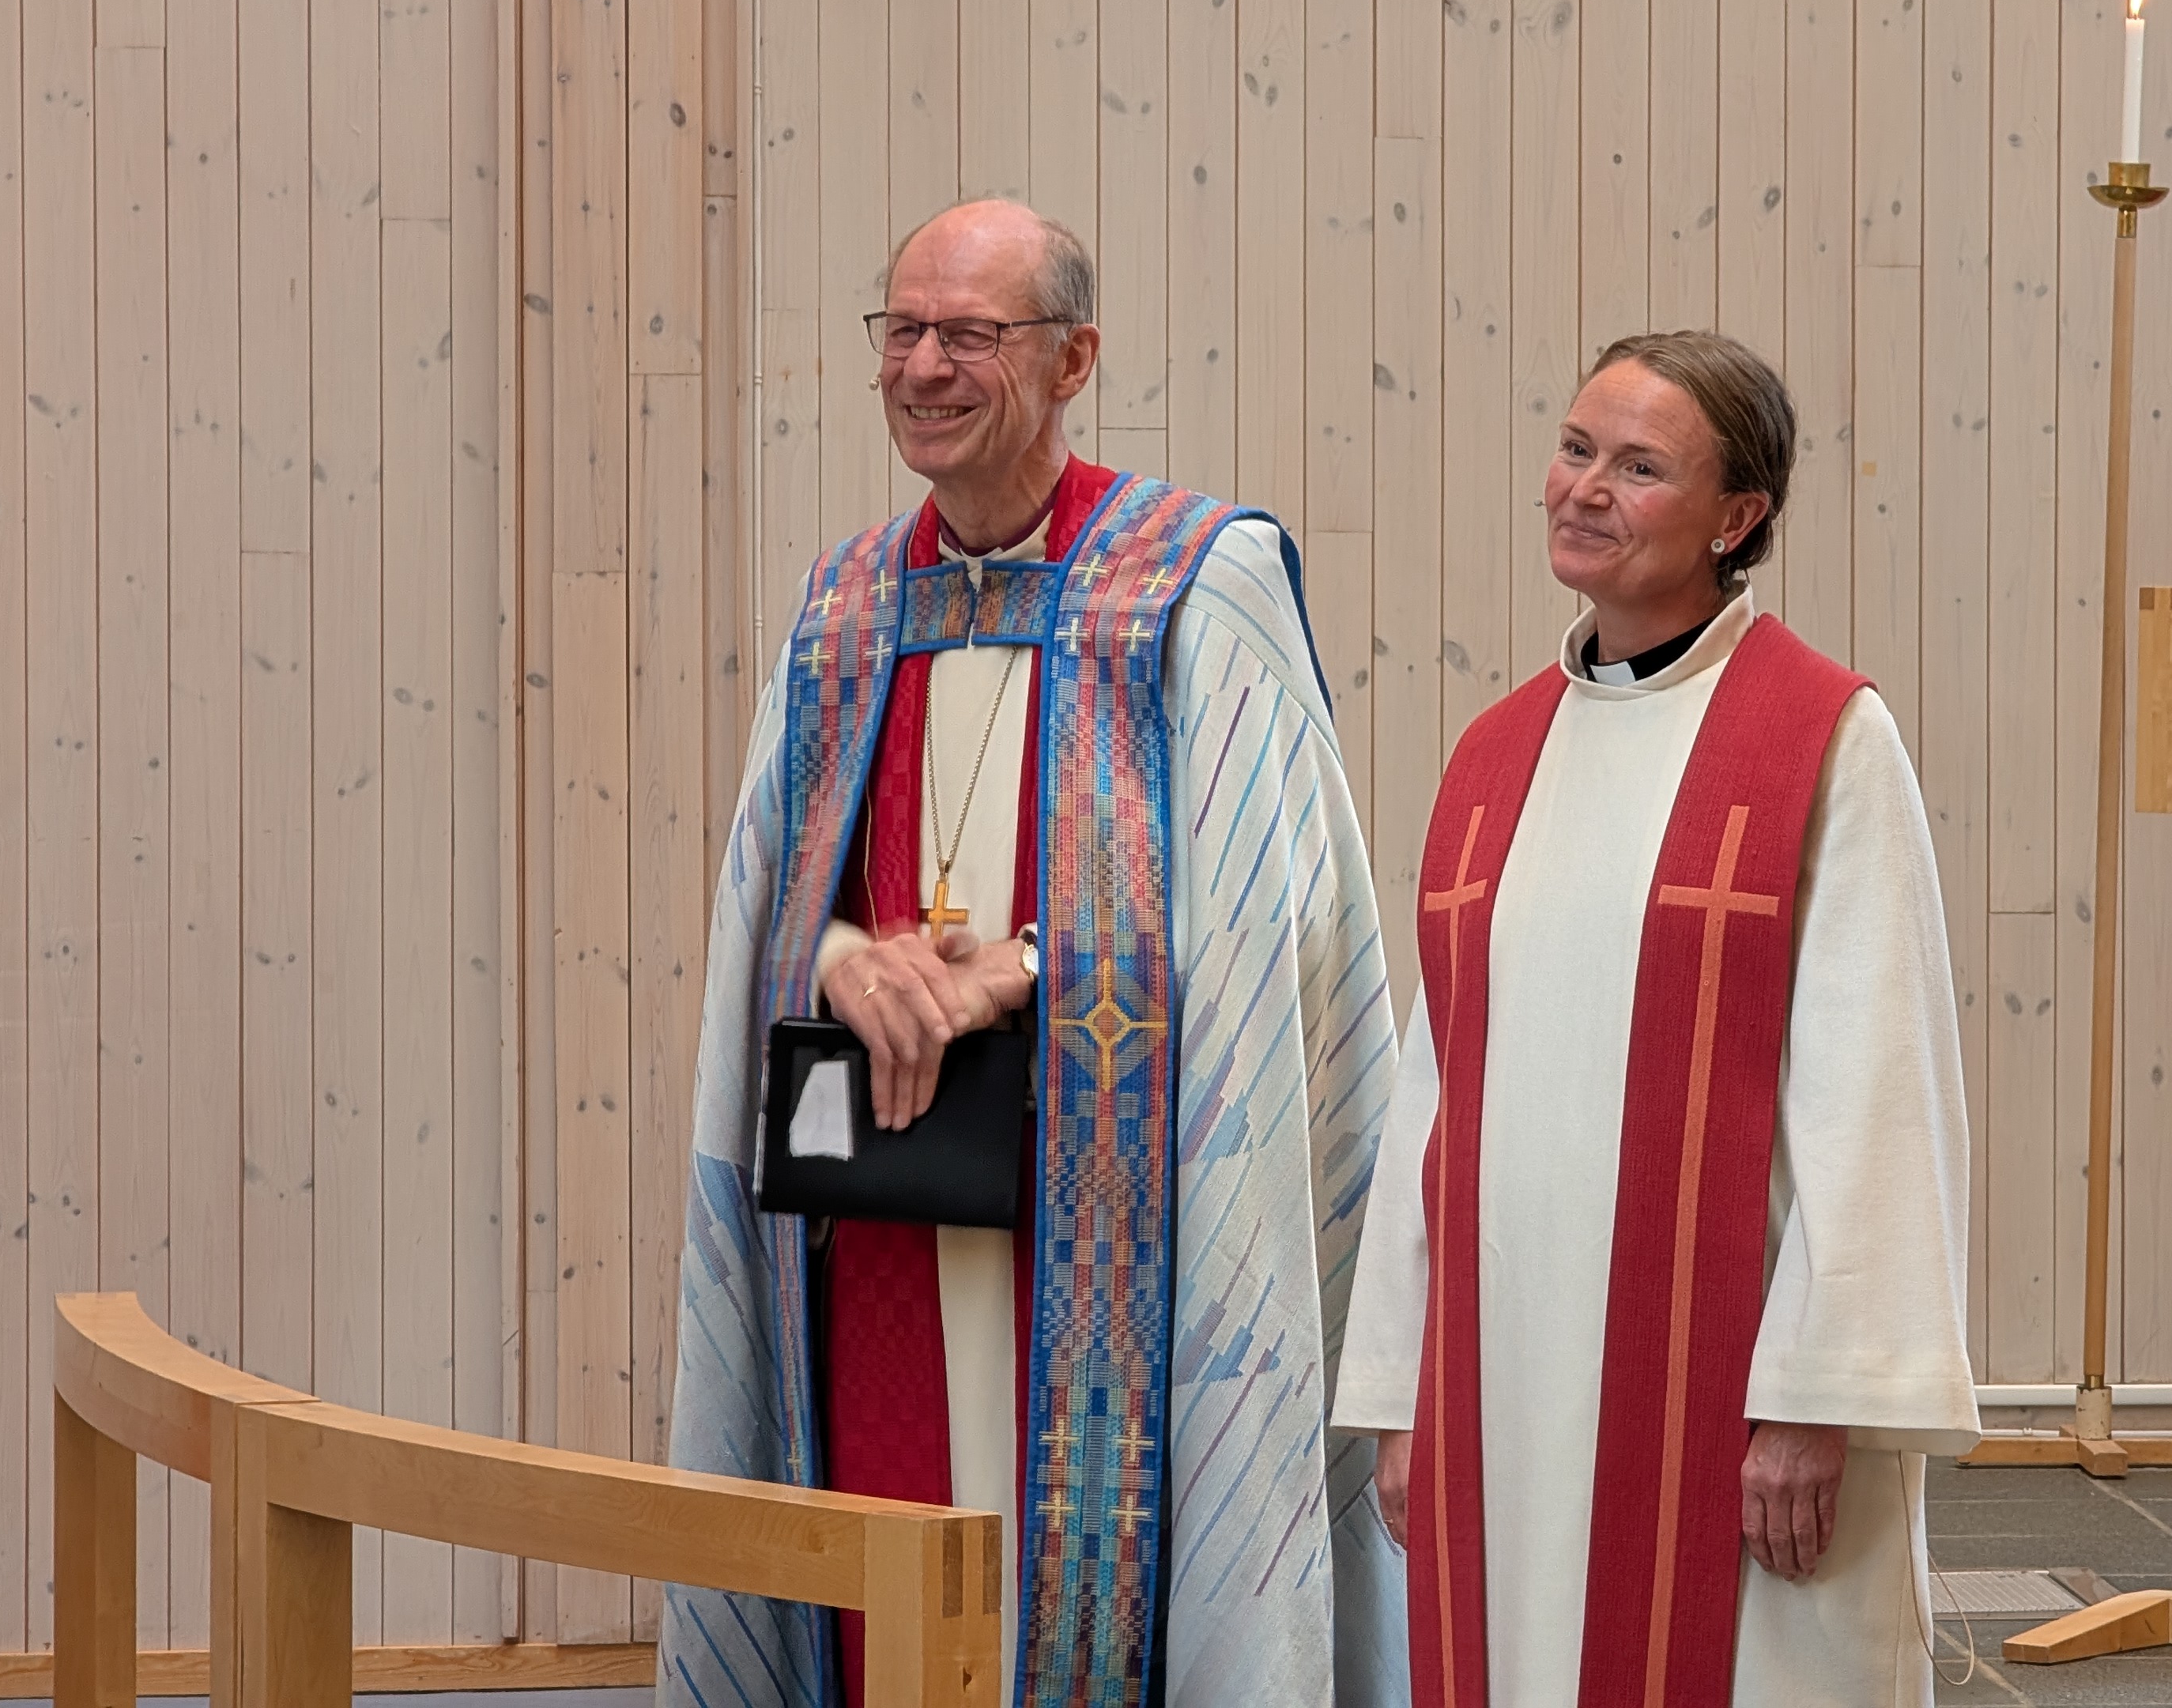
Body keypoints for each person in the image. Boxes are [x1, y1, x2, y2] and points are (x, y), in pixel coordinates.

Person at [659, 199, 1402, 1707]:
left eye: (971, 335)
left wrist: (1032, 971)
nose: (925, 366)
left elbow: (1277, 914)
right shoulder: (850, 601)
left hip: (1123, 1210)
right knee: (875, 1542)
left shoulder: (1200, 578)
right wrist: (842, 955)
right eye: (902, 331)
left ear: (1075, 360)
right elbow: (765, 894)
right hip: (881, 1204)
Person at [1332, 331, 1978, 1707]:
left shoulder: (1821, 739)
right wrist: (1400, 1390)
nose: (1585, 489)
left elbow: (1878, 1087)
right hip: (1503, 1377)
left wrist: (1819, 1396)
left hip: (1731, 1388)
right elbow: (1434, 1094)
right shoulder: (1496, 755)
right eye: (1576, 449)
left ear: (1737, 517)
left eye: (1639, 467)